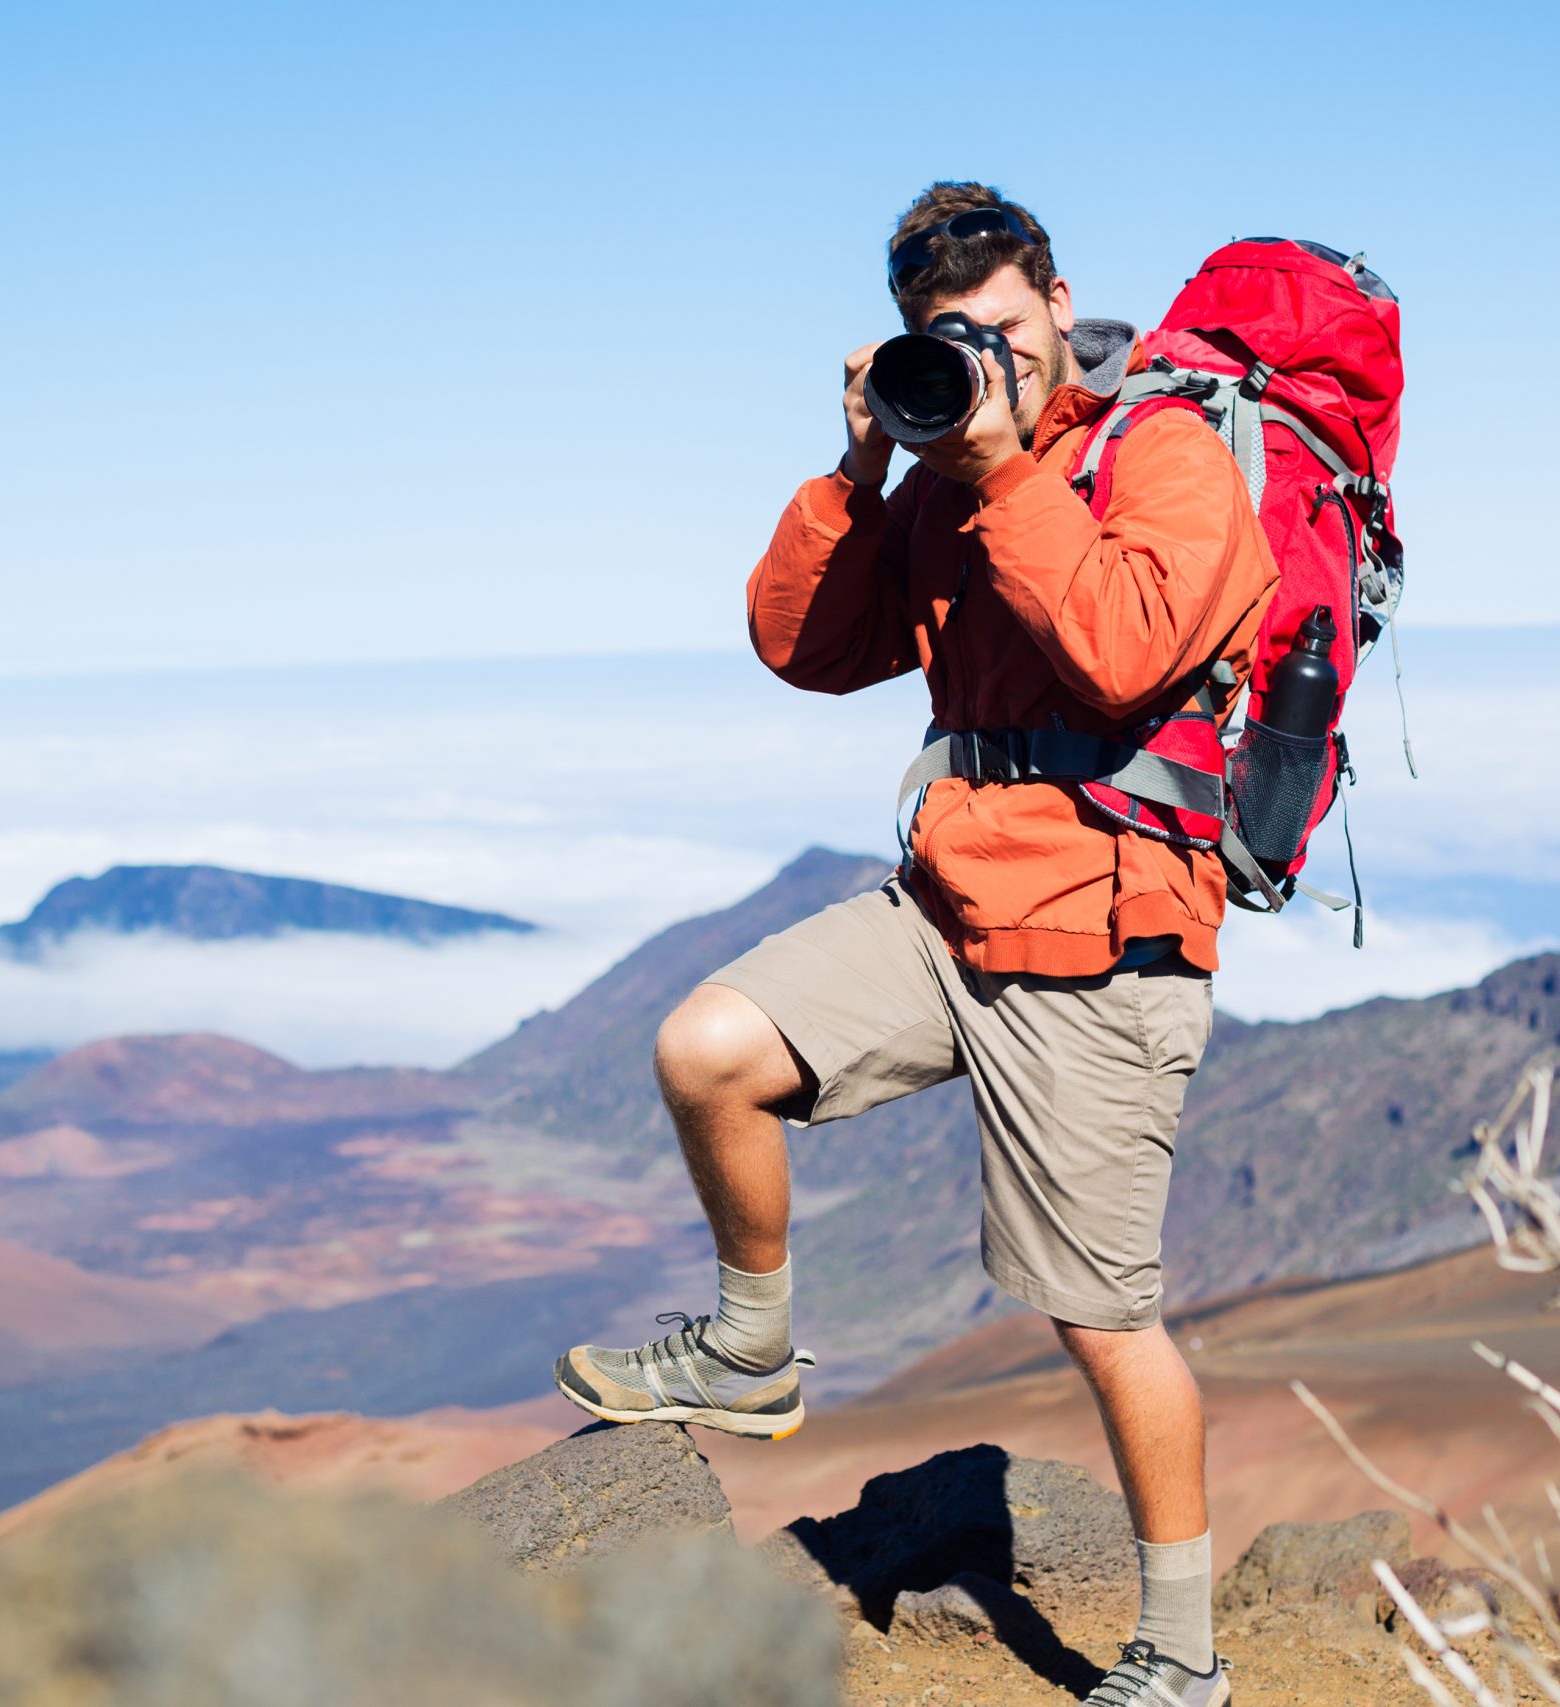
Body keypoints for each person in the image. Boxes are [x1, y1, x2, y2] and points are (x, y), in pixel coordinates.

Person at [553, 181, 1276, 1706]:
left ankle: (1184, 1653)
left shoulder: (1168, 453)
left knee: (1099, 1315)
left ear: (1061, 304)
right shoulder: (944, 469)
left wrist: (1009, 469)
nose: (986, 361)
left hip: (1101, 933)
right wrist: (865, 461)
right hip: (949, 901)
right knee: (709, 1050)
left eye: (1006, 329)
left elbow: (1126, 648)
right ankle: (753, 1351)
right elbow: (807, 649)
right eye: (948, 341)